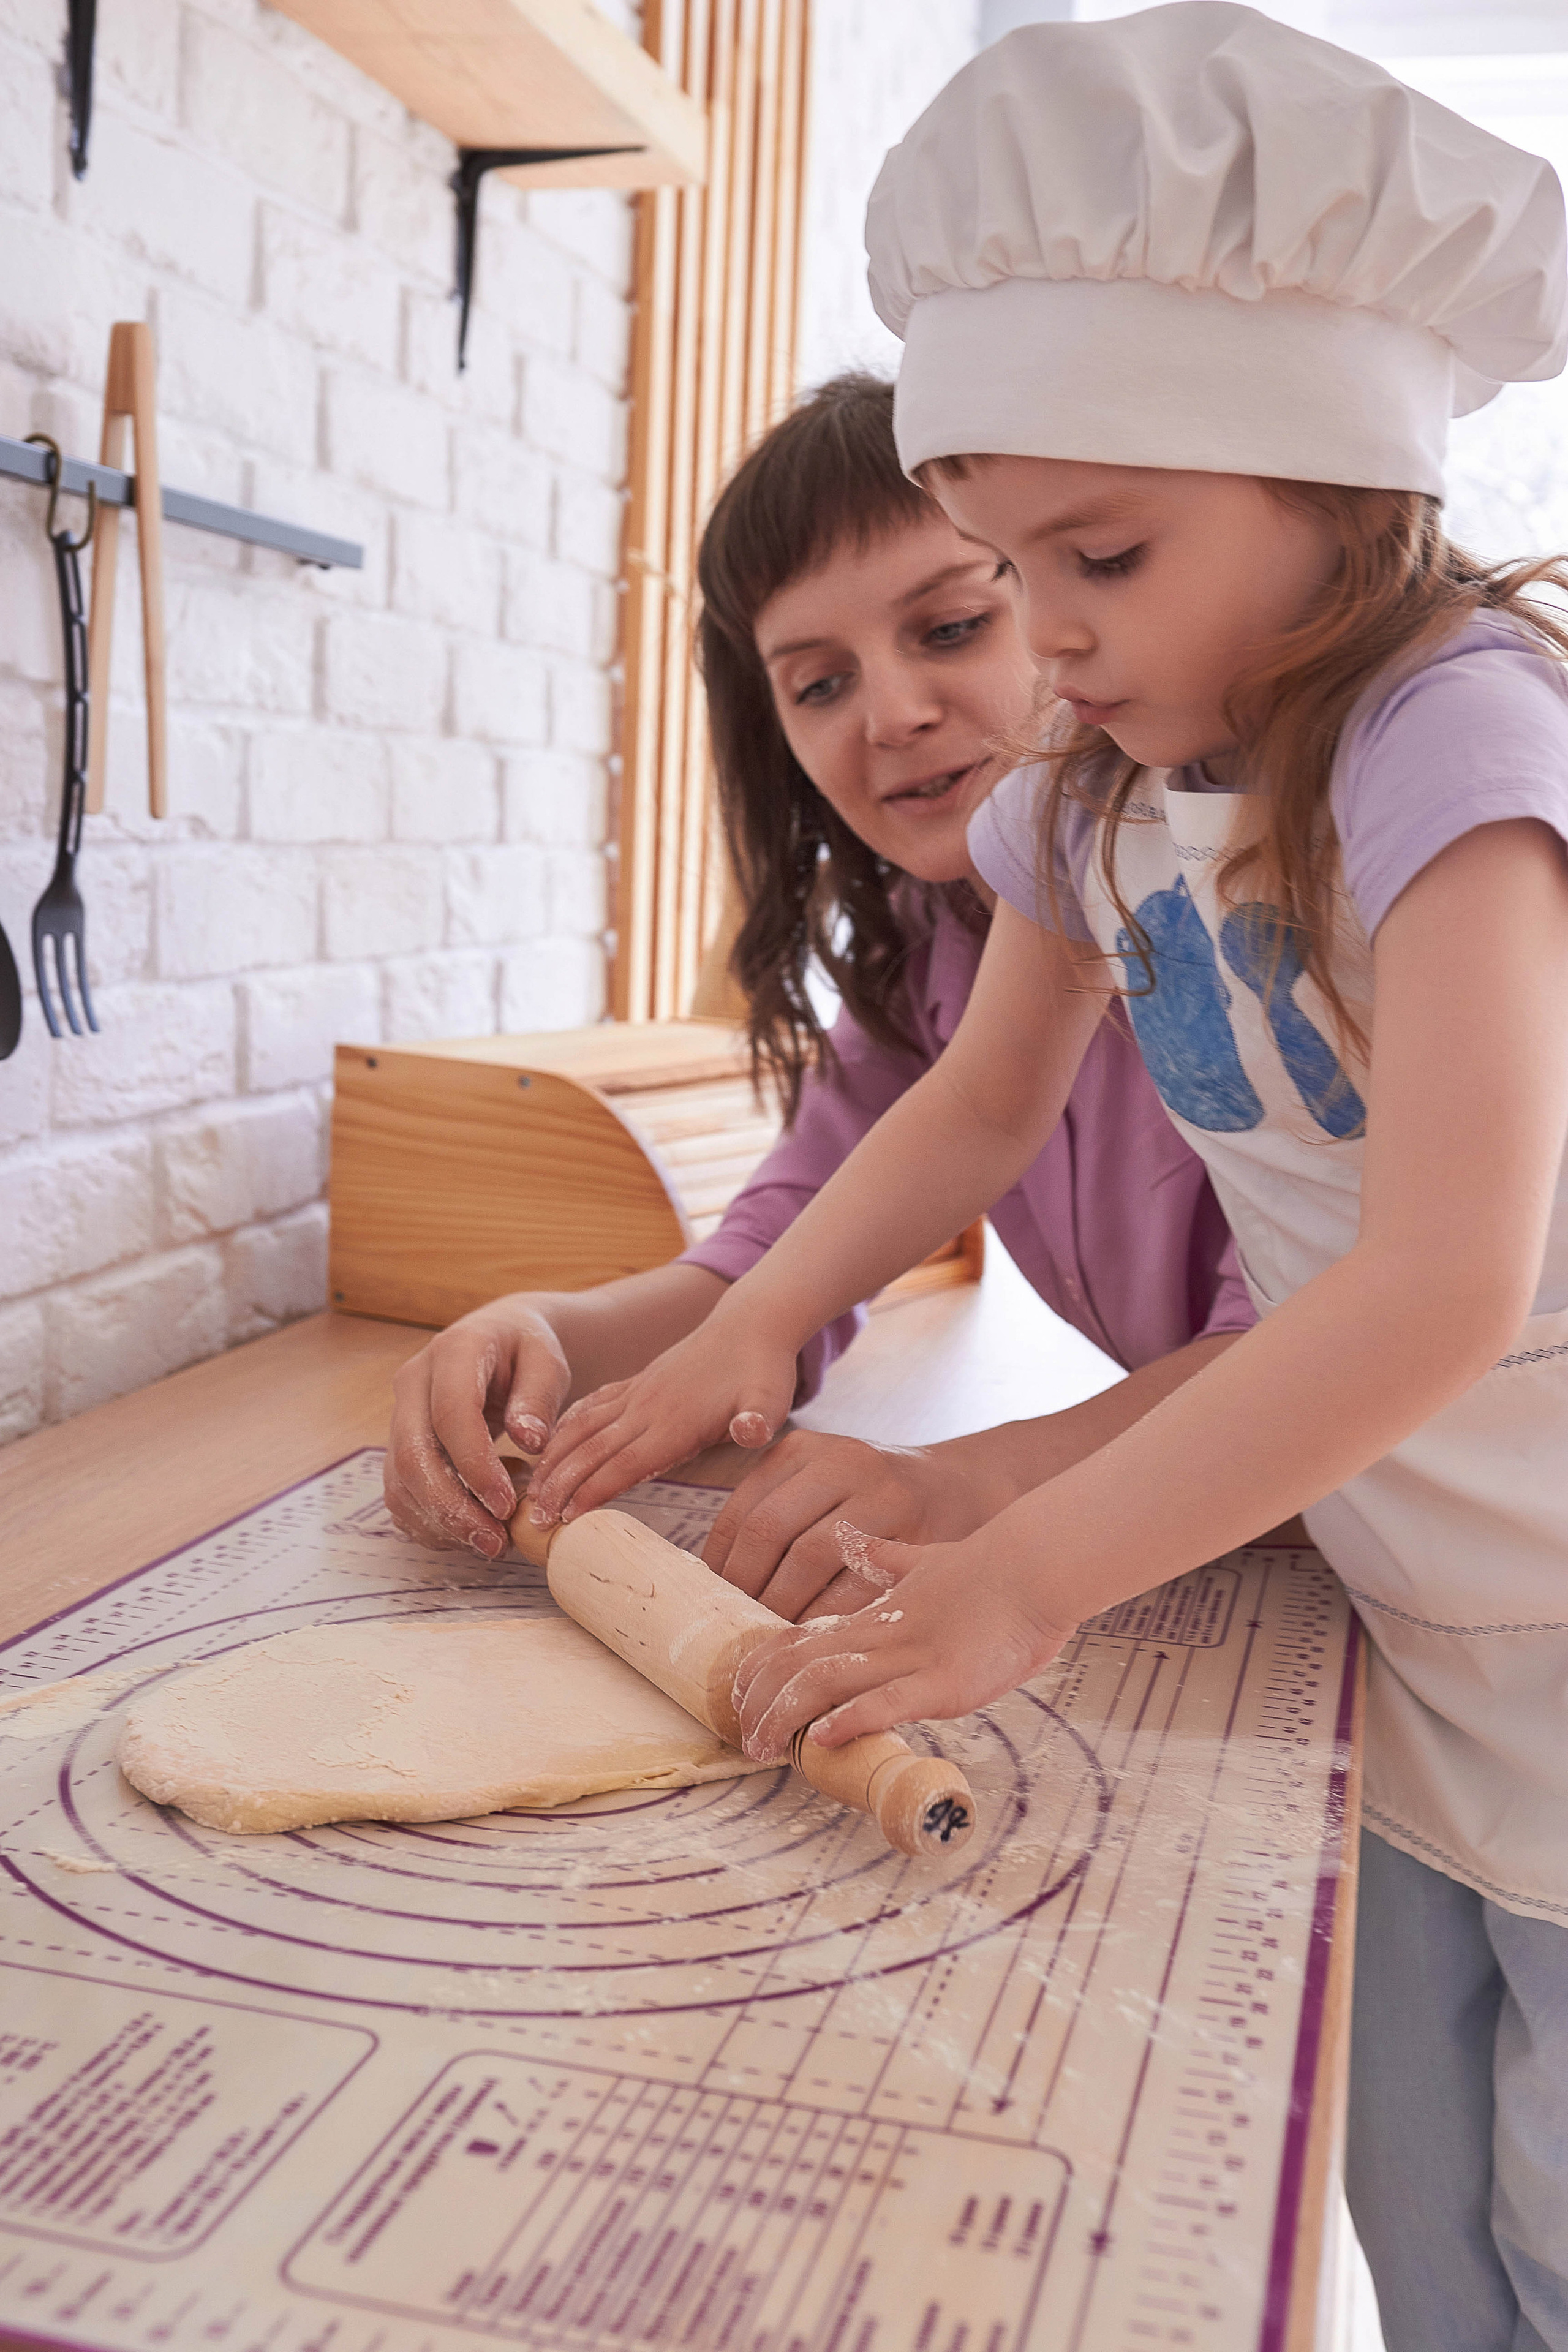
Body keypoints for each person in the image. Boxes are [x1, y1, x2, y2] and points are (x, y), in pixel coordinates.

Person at [525, 11, 1568, 2346]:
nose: (1055, 632)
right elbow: (974, 1112)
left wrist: (1031, 1562)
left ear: (1337, 490)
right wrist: (737, 1326)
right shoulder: (1101, 800)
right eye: (1017, 556)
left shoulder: (1458, 744)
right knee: (1405, 2199)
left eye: (1094, 554)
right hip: (1414, 1634)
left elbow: (1439, 1286)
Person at [385, 374, 1251, 1611]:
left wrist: (967, 1486)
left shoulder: (1237, 915)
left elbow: (1307, 1366)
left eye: (949, 629)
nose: (892, 713)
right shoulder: (919, 945)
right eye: (817, 682)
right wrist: (546, 1344)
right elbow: (769, 1280)